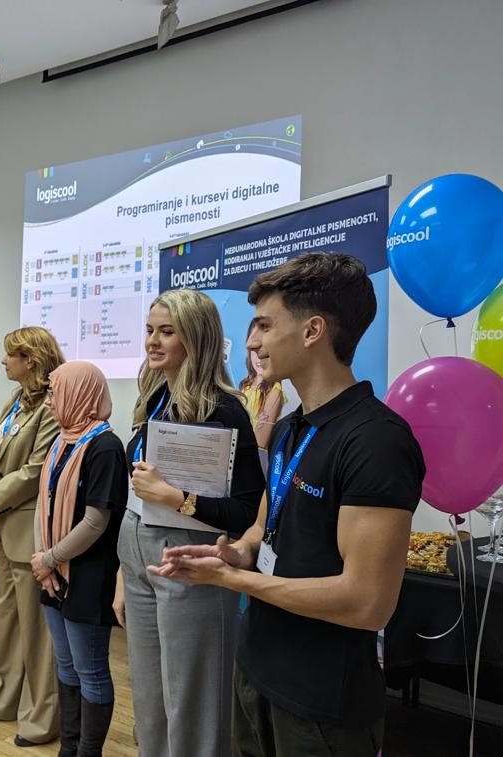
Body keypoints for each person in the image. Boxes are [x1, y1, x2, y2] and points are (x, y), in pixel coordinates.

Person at [156, 253, 426, 757]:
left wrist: (234, 580)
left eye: (264, 325)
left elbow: (367, 601)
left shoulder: (376, 441)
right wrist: (235, 553)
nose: (252, 342)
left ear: (312, 331)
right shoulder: (287, 428)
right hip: (257, 671)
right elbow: (262, 528)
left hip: (322, 702)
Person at [114, 289, 265, 757]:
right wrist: (123, 574)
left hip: (189, 556)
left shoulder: (225, 409)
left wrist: (178, 500)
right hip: (138, 553)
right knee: (149, 697)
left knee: (193, 700)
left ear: (196, 338)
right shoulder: (155, 398)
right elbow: (137, 493)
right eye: (149, 330)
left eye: (167, 331)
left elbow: (246, 509)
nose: (152, 341)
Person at [0, 326, 64, 748]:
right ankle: (3, 697)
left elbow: (36, 469)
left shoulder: (51, 405)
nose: (3, 361)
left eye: (10, 355)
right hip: (0, 522)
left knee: (36, 629)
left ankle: (41, 716)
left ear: (31, 360)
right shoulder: (15, 400)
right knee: (6, 617)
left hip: (27, 526)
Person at [32, 361, 128, 757]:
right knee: (66, 664)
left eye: (54, 393)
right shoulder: (60, 441)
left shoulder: (106, 447)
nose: (49, 401)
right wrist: (44, 563)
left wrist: (50, 558)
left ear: (79, 395)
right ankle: (67, 749)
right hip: (53, 571)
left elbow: (96, 521)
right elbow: (44, 505)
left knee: (90, 671)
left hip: (88, 574)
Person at [239, 331, 286, 453]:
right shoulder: (244, 386)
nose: (259, 357)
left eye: (266, 351)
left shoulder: (275, 390)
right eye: (255, 350)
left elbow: (260, 442)